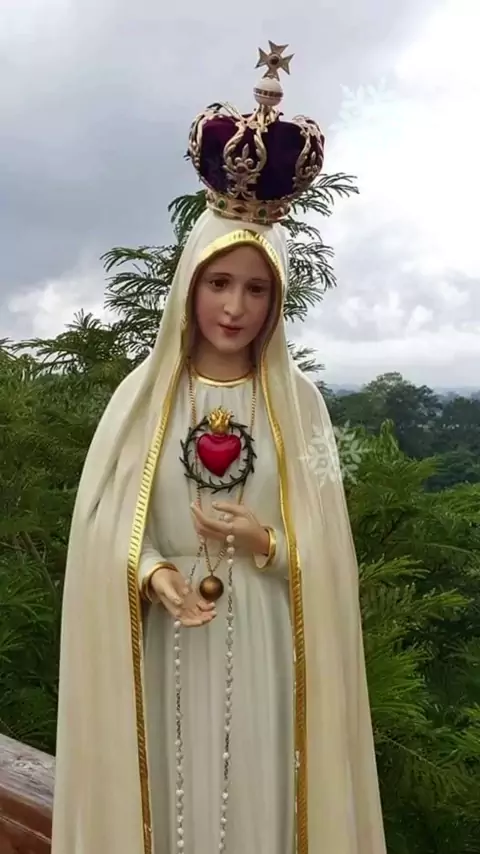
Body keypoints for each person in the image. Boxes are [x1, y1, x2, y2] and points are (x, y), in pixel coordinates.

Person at [51, 43, 387, 854]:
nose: (234, 307)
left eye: (255, 287)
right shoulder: (142, 401)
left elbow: (331, 556)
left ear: (276, 297)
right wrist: (152, 572)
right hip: (166, 651)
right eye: (218, 282)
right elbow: (96, 531)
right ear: (189, 285)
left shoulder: (300, 409)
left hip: (266, 651)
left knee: (257, 812)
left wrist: (267, 541)